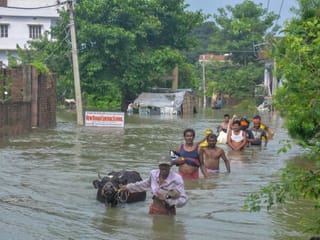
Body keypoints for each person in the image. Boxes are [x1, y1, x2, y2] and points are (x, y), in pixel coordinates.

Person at [119, 158, 187, 216]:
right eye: (162, 165)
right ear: (159, 166)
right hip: (153, 209)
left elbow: (183, 200)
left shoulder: (176, 179)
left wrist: (166, 199)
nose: (164, 167)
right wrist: (128, 187)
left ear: (170, 166)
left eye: (166, 165)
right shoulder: (154, 174)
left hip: (168, 213)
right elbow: (144, 184)